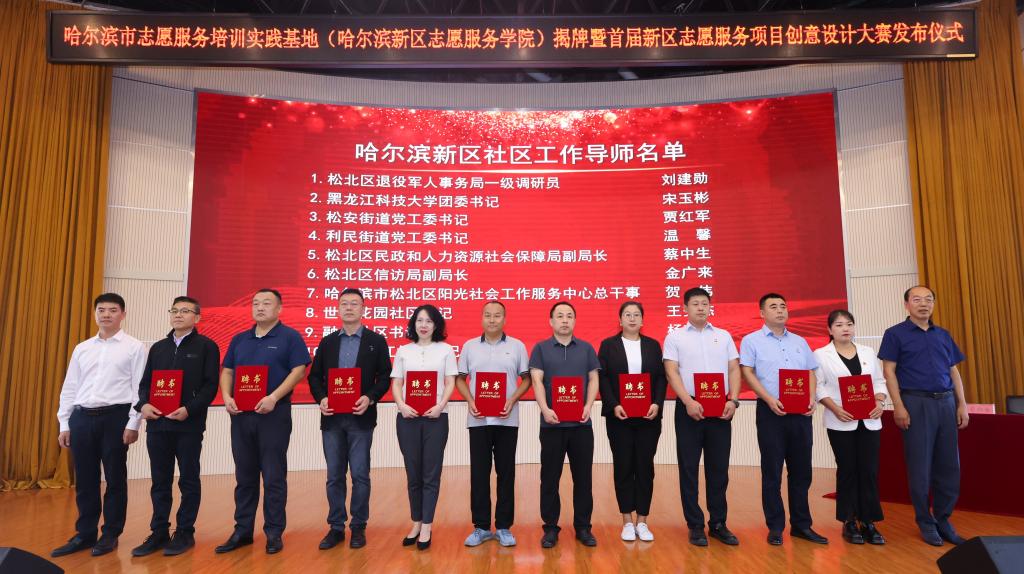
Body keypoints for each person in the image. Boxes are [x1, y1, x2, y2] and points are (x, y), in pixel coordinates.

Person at [215, 289, 311, 555]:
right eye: (255, 303)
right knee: (244, 475)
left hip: (273, 415)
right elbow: (228, 371)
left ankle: (273, 532)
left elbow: (298, 370)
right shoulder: (240, 339)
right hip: (241, 416)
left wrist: (273, 397)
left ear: (279, 309)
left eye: (267, 303)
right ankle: (242, 530)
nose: (260, 307)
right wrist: (226, 397)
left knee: (273, 475)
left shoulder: (290, 337)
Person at [52, 293, 146, 558]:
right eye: (101, 310)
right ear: (95, 314)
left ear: (123, 314)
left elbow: (139, 388)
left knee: (115, 478)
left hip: (115, 417)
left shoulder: (134, 347)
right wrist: (64, 423)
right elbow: (70, 387)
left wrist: (133, 423)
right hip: (81, 417)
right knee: (85, 479)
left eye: (112, 310)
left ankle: (111, 534)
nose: (106, 314)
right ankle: (85, 533)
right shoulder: (82, 348)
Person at [878, 286, 969, 547]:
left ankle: (943, 519)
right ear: (906, 305)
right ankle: (925, 521)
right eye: (917, 299)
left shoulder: (943, 334)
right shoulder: (895, 334)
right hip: (915, 403)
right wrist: (898, 405)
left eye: (928, 299)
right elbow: (889, 372)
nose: (923, 304)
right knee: (920, 466)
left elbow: (953, 371)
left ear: (933, 304)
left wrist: (962, 404)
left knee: (949, 466)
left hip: (946, 403)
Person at [131, 296, 220, 557]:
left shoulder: (207, 346)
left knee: (188, 480)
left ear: (197, 317)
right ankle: (159, 531)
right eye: (174, 310)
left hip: (188, 426)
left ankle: (184, 532)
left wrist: (189, 409)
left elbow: (210, 386)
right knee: (160, 481)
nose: (178, 315)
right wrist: (144, 405)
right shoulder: (158, 348)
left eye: (185, 311)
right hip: (157, 425)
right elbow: (145, 384)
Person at [307, 288, 393, 550]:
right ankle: (336, 527)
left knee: (360, 475)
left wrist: (370, 397)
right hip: (332, 419)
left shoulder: (376, 341)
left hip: (360, 418)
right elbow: (314, 377)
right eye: (344, 303)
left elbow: (385, 377)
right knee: (334, 475)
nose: (348, 308)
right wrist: (321, 398)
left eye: (354, 304)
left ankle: (358, 526)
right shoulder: (327, 342)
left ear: (363, 309)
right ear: (337, 308)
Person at [739, 292, 827, 546]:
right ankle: (775, 526)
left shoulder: (800, 341)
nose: (780, 310)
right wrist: (768, 399)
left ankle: (802, 525)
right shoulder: (751, 340)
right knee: (772, 471)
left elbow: (810, 372)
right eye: (773, 307)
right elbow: (747, 372)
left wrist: (811, 398)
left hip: (800, 413)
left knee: (801, 471)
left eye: (783, 306)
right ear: (762, 313)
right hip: (771, 412)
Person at [663, 287, 741, 547]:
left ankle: (718, 523)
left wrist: (733, 400)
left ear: (710, 307)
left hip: (721, 408)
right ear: (685, 308)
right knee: (688, 468)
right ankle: (695, 525)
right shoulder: (675, 337)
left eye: (704, 303)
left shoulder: (723, 336)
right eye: (695, 303)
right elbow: (671, 372)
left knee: (719, 468)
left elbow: (734, 368)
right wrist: (688, 401)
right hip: (689, 409)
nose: (700, 307)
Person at [455, 301, 531, 548]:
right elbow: (460, 378)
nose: (492, 319)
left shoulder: (517, 346)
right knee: (479, 473)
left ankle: (504, 527)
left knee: (506, 473)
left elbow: (527, 379)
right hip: (478, 419)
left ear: (504, 319)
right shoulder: (469, 346)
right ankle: (481, 527)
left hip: (507, 419)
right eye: (487, 315)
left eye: (497, 315)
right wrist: (470, 401)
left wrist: (512, 399)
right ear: (481, 318)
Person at [529, 301, 601, 548]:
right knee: (550, 478)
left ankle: (583, 527)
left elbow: (593, 379)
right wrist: (544, 409)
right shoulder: (540, 348)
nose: (564, 320)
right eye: (559, 316)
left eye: (569, 316)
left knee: (583, 478)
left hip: (581, 425)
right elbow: (537, 381)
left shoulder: (586, 348)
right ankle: (550, 528)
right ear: (551, 321)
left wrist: (588, 405)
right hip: (552, 425)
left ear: (575, 321)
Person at [813, 310, 888, 545]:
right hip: (840, 420)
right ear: (829, 330)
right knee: (847, 469)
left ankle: (869, 521)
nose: (845, 328)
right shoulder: (820, 354)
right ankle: (849, 520)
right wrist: (835, 408)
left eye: (849, 324)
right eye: (839, 325)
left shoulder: (867, 352)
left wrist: (879, 401)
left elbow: (879, 381)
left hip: (870, 419)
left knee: (869, 470)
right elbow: (819, 386)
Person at [597, 301, 666, 543]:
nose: (632, 318)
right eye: (627, 314)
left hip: (648, 417)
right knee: (624, 465)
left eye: (637, 314)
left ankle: (643, 521)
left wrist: (657, 403)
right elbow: (603, 378)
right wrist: (614, 404)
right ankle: (627, 520)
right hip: (620, 418)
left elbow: (661, 378)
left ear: (643, 320)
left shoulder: (653, 345)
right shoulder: (608, 345)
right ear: (620, 320)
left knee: (645, 467)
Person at [391, 304, 458, 550]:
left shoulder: (446, 350)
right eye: (419, 320)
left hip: (435, 419)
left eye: (429, 321)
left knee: (431, 473)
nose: (424, 325)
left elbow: (450, 382)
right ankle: (416, 522)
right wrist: (401, 405)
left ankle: (427, 525)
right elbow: (397, 383)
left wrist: (440, 405)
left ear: (436, 325)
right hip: (407, 418)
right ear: (413, 324)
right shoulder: (403, 351)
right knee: (413, 474)